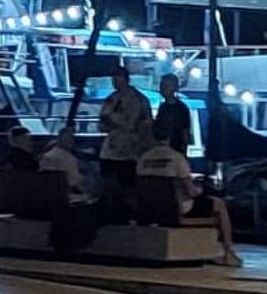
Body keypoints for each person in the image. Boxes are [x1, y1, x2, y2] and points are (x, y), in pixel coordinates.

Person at [137, 137, 242, 265]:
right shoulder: (177, 159)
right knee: (218, 204)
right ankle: (228, 252)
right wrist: (200, 188)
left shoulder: (143, 159)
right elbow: (192, 192)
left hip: (152, 211)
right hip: (179, 210)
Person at [97, 67, 155, 202]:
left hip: (130, 151)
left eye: (118, 78)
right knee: (109, 186)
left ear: (126, 79)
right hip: (110, 150)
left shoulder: (139, 100)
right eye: (114, 79)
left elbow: (143, 125)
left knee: (128, 188)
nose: (115, 82)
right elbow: (102, 123)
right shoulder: (110, 99)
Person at [152, 74, 193, 150]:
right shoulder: (162, 107)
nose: (162, 88)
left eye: (166, 86)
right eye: (162, 85)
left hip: (175, 150)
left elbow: (185, 133)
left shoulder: (182, 109)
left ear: (174, 88)